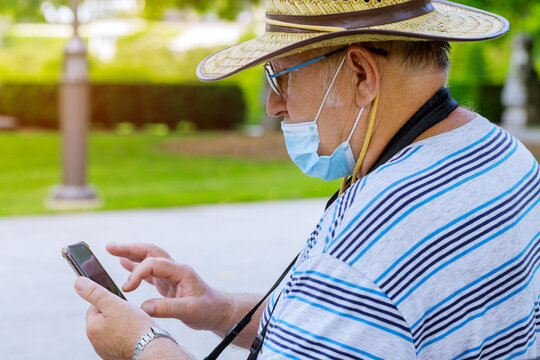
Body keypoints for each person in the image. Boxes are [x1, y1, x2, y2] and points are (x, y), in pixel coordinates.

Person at [73, 0, 540, 359]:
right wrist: (219, 309)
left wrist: (143, 344)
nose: (275, 105)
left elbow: (361, 294)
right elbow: (365, 327)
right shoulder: (504, 155)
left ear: (360, 73)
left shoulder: (368, 245)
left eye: (281, 78)